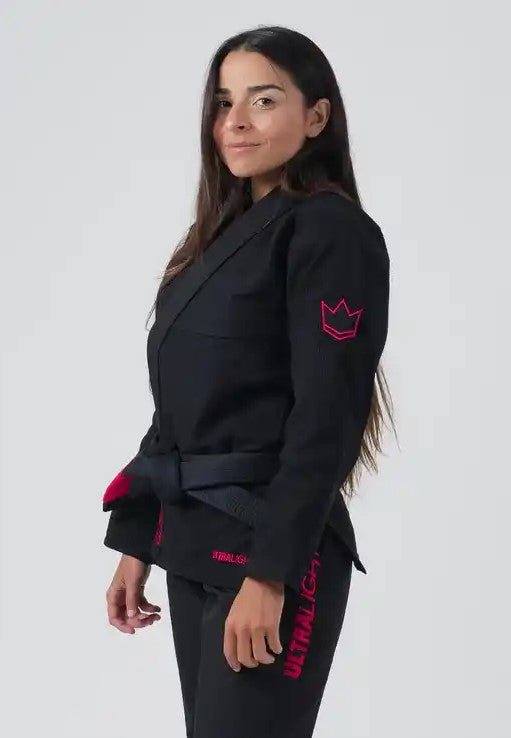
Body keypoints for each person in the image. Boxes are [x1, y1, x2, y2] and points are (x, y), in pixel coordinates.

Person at [102, 24, 394, 738]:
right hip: (193, 540)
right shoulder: (212, 243)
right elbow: (178, 407)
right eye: (223, 102)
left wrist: (270, 574)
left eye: (263, 100)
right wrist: (139, 536)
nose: (235, 121)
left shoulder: (329, 232)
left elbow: (328, 416)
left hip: (272, 547)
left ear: (316, 117)